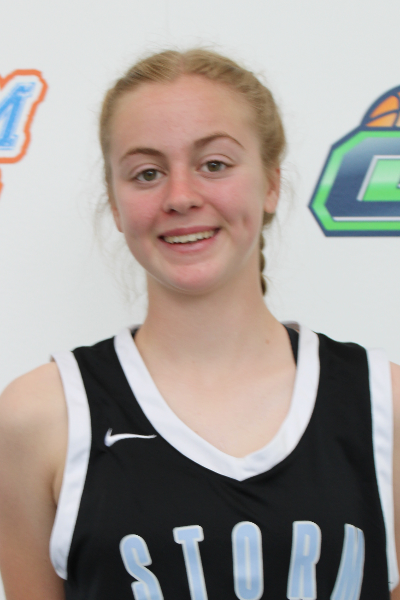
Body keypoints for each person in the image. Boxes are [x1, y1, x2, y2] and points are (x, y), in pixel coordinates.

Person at [0, 48, 399, 600]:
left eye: (214, 164)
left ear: (271, 183)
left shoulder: (383, 404)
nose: (181, 197)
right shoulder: (41, 418)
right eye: (147, 173)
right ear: (115, 204)